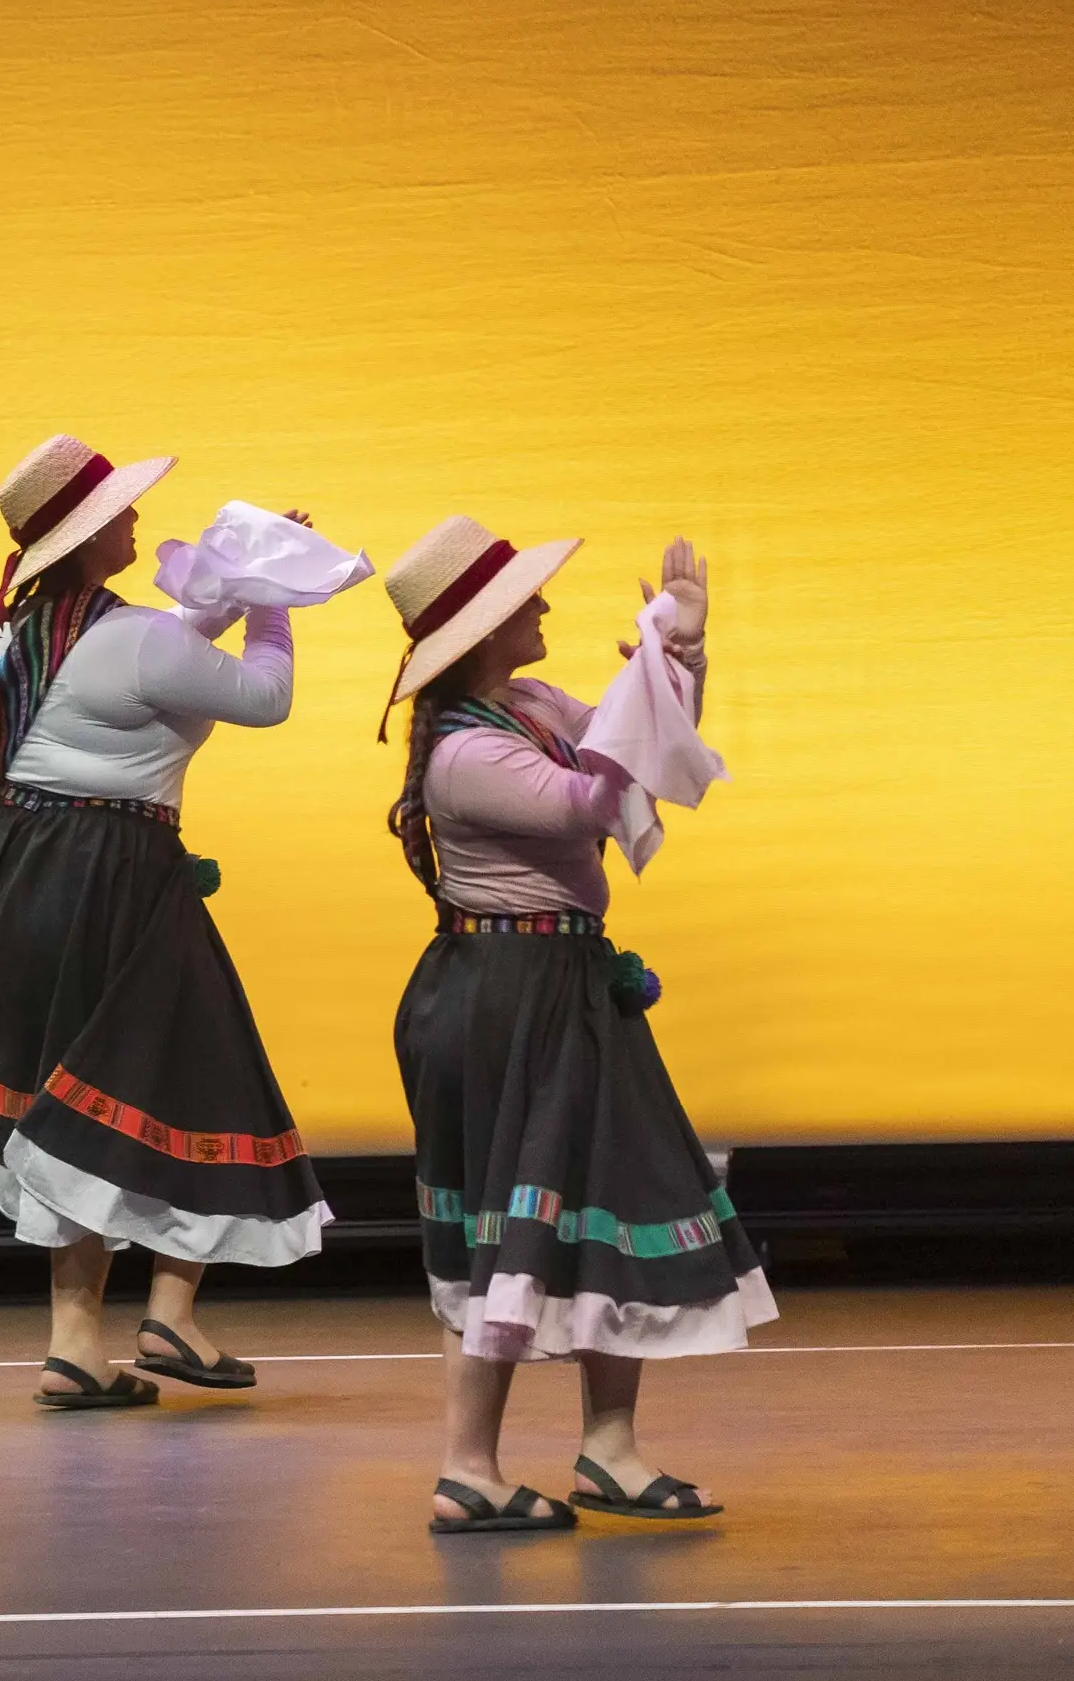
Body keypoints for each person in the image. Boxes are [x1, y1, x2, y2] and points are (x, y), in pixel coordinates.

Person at [380, 515, 775, 1535]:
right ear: (479, 632)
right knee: (503, 1231)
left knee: (607, 1204)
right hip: (503, 994)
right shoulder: (465, 755)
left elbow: (644, 747)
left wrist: (675, 656)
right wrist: (649, 672)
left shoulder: (525, 707)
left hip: (560, 981)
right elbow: (592, 803)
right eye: (525, 600)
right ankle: (466, 1468)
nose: (545, 607)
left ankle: (608, 1448)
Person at [0, 433, 331, 1409]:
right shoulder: (133, 641)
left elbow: (162, 644)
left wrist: (234, 589)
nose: (132, 519)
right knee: (189, 1069)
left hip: (15, 866)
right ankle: (168, 1308)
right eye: (116, 512)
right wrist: (270, 605)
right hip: (109, 875)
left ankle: (76, 1340)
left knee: (67, 1092)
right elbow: (264, 696)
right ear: (83, 537)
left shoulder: (29, 633)